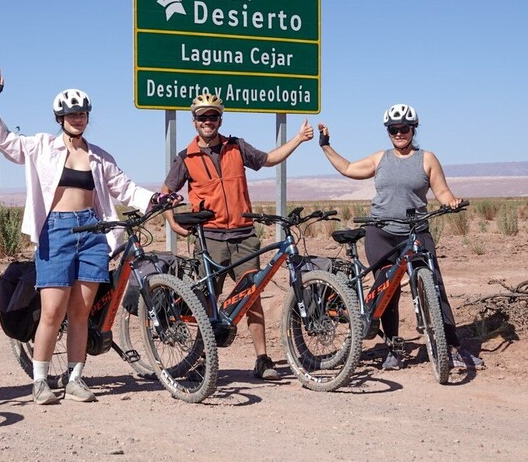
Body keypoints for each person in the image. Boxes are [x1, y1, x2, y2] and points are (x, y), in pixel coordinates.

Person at [0, 66, 177, 405]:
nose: (77, 118)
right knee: (53, 311)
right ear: (60, 118)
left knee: (81, 313)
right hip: (56, 231)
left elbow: (124, 188)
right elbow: (4, 139)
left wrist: (155, 199)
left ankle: (74, 378)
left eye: (82, 113)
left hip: (93, 234)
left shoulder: (99, 156)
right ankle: (40, 381)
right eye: (71, 114)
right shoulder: (41, 146)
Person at [318, 103, 484, 371]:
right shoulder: (380, 159)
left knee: (435, 286)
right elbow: (348, 168)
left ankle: (453, 348)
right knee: (388, 290)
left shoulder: (427, 158)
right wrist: (325, 145)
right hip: (381, 232)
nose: (399, 134)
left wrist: (451, 201)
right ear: (388, 132)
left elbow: (442, 191)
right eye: (393, 129)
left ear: (413, 129)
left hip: (416, 230)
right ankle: (393, 349)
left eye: (403, 128)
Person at [161, 93, 314, 380]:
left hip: (244, 235)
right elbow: (166, 193)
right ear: (194, 122)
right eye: (202, 117)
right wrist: (172, 222)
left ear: (220, 119)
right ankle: (201, 361)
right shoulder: (185, 158)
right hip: (211, 238)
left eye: (213, 116)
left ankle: (262, 359)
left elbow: (269, 159)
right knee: (207, 300)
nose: (208, 122)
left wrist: (298, 139)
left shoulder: (237, 147)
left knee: (251, 297)